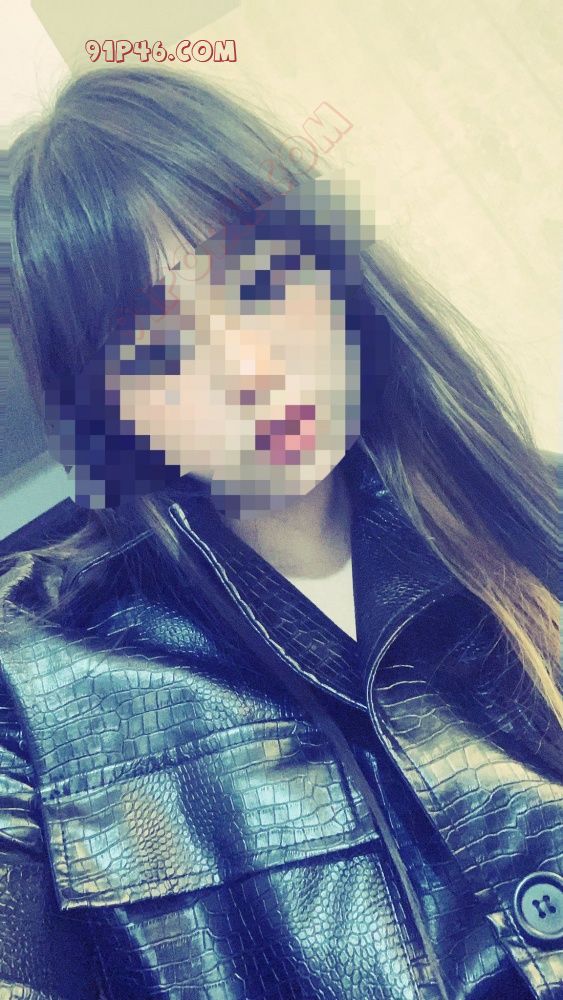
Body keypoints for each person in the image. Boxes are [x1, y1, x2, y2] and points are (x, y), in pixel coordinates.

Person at [0, 65, 561, 1000]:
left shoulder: (535, 512)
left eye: (260, 282)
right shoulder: (28, 675)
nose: (248, 368)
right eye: (159, 348)